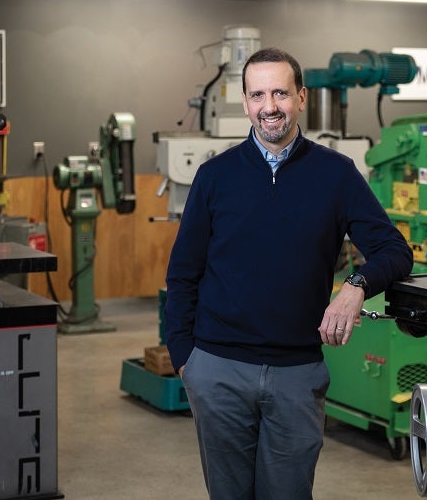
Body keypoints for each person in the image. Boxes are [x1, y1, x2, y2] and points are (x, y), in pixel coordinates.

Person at [164, 46, 413, 500]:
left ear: (300, 97)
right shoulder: (214, 177)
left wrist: (355, 286)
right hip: (218, 370)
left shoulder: (335, 175)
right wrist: (187, 360)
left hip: (296, 373)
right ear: (245, 103)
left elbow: (394, 250)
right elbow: (182, 275)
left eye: (279, 93)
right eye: (258, 95)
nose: (269, 107)